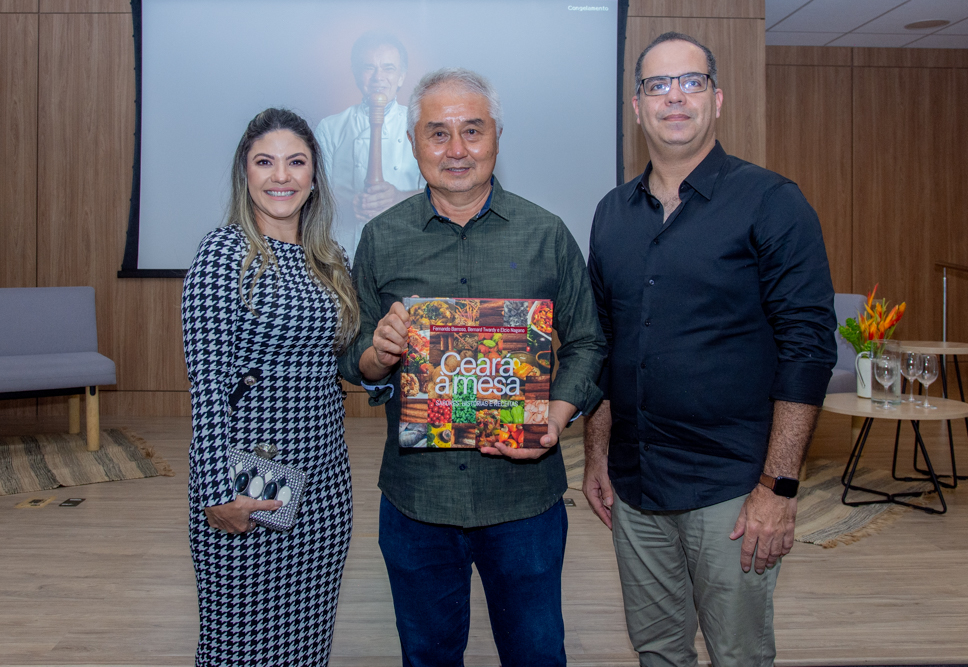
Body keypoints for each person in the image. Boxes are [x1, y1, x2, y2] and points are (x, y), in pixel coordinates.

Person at [584, 32, 837, 667]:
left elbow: (808, 350)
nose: (674, 97)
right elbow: (603, 346)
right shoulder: (611, 213)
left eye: (690, 82)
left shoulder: (772, 202)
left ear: (716, 99)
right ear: (637, 107)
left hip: (733, 489)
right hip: (636, 484)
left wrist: (778, 486)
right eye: (657, 85)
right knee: (658, 652)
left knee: (738, 656)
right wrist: (596, 455)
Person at [337, 68, 604, 667]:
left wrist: (555, 417)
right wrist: (378, 353)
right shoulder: (381, 238)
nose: (456, 149)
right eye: (438, 133)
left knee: (536, 656)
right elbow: (352, 356)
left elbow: (587, 342)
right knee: (427, 657)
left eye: (472, 130)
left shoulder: (546, 234)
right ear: (414, 143)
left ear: (497, 137)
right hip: (418, 500)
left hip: (524, 500)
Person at [182, 108, 360, 666]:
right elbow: (208, 386)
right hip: (250, 482)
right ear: (246, 172)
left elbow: (338, 363)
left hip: (325, 485)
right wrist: (215, 491)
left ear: (314, 177)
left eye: (296, 162)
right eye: (265, 162)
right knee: (237, 644)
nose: (281, 176)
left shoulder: (330, 260)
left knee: (307, 641)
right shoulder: (224, 252)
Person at [315, 31, 424, 261]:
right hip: (344, 251)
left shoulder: (421, 127)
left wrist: (398, 197)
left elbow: (440, 193)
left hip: (405, 250)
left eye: (388, 68)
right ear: (356, 74)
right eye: (369, 68)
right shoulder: (330, 128)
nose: (378, 77)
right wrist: (350, 204)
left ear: (402, 77)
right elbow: (315, 196)